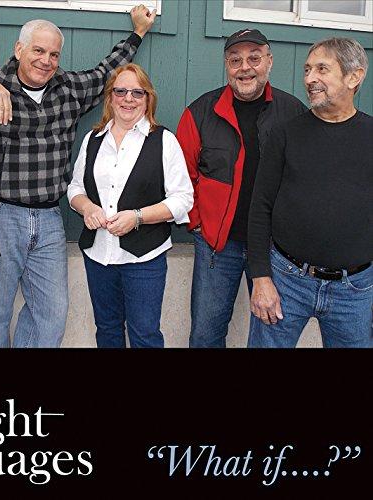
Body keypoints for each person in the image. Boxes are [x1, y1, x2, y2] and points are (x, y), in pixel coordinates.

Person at [0, 6, 156, 348]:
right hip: (0, 216)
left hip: (50, 218)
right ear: (19, 49)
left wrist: (138, 32)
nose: (46, 60)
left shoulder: (69, 89)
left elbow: (106, 72)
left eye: (54, 54)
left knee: (52, 313)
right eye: (38, 50)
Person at [176, 28, 306, 348]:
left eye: (254, 58)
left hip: (275, 248)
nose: (244, 67)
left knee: (270, 333)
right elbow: (180, 175)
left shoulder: (293, 113)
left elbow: (305, 177)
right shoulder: (200, 112)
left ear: (269, 61)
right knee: (205, 335)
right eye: (235, 60)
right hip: (218, 247)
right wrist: (198, 224)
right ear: (226, 66)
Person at [248, 38, 372, 348]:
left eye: (321, 69)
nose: (309, 79)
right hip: (286, 280)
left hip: (356, 290)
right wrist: (261, 278)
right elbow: (260, 207)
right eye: (307, 70)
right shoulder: (286, 134)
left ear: (354, 77)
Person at [67, 64, 193, 348]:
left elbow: (183, 199)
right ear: (110, 97)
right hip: (98, 256)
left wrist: (137, 217)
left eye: (137, 92)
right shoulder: (93, 139)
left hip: (144, 259)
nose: (128, 98)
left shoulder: (164, 140)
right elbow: (75, 187)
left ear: (148, 98)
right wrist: (87, 208)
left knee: (144, 335)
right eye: (120, 91)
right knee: (107, 330)